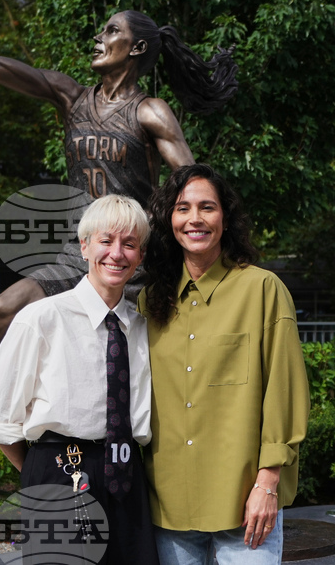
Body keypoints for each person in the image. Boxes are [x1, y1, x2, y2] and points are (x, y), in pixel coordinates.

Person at [0, 0, 238, 345]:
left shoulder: (150, 112)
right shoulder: (70, 97)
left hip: (131, 255)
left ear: (137, 48)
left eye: (112, 31)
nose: (99, 37)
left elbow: (193, 189)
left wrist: (193, 255)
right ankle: (35, 405)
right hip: (78, 253)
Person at [139, 164, 310, 565]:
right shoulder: (151, 302)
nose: (194, 219)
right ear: (169, 219)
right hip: (168, 504)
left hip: (245, 503)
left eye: (207, 207)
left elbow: (284, 392)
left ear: (226, 218)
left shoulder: (263, 289)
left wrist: (268, 482)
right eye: (182, 208)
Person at [0, 194, 158, 565]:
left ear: (140, 256)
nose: (117, 254)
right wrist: (42, 471)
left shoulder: (141, 327)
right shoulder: (41, 318)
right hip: (59, 468)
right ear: (85, 246)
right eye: (106, 241)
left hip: (128, 474)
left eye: (129, 244)